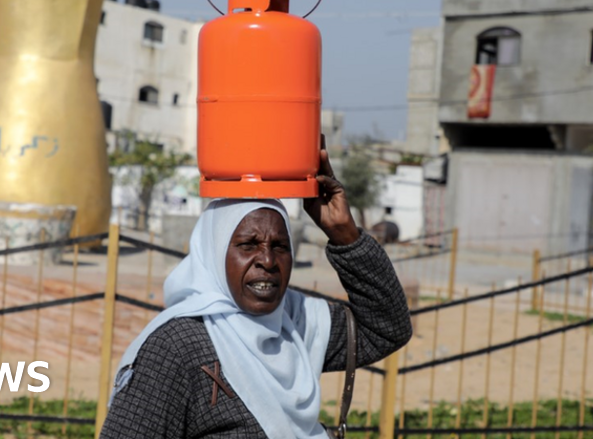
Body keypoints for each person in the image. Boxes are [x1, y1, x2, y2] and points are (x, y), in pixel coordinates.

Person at [100, 148, 413, 438]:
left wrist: (344, 232)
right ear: (214, 253)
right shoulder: (177, 347)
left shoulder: (294, 324)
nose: (267, 260)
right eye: (248, 245)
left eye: (280, 246)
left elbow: (387, 328)